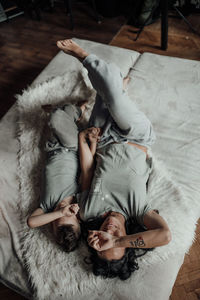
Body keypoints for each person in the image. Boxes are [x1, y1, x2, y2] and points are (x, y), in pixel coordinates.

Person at [56, 39, 172, 279]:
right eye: (115, 245)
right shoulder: (138, 211)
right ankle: (83, 56)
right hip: (136, 137)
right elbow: (164, 235)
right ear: (127, 243)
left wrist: (84, 139)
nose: (107, 235)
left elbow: (87, 171)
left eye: (102, 242)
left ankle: (118, 87)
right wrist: (119, 241)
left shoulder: (88, 213)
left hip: (102, 136)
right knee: (114, 96)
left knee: (108, 93)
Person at [27, 102, 86, 252]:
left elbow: (32, 222)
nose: (63, 210)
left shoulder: (47, 206)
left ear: (52, 222)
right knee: (55, 119)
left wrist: (58, 213)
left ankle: (73, 113)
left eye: (58, 220)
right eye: (68, 214)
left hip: (52, 148)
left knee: (63, 115)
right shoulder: (77, 197)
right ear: (77, 217)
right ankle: (76, 111)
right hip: (72, 148)